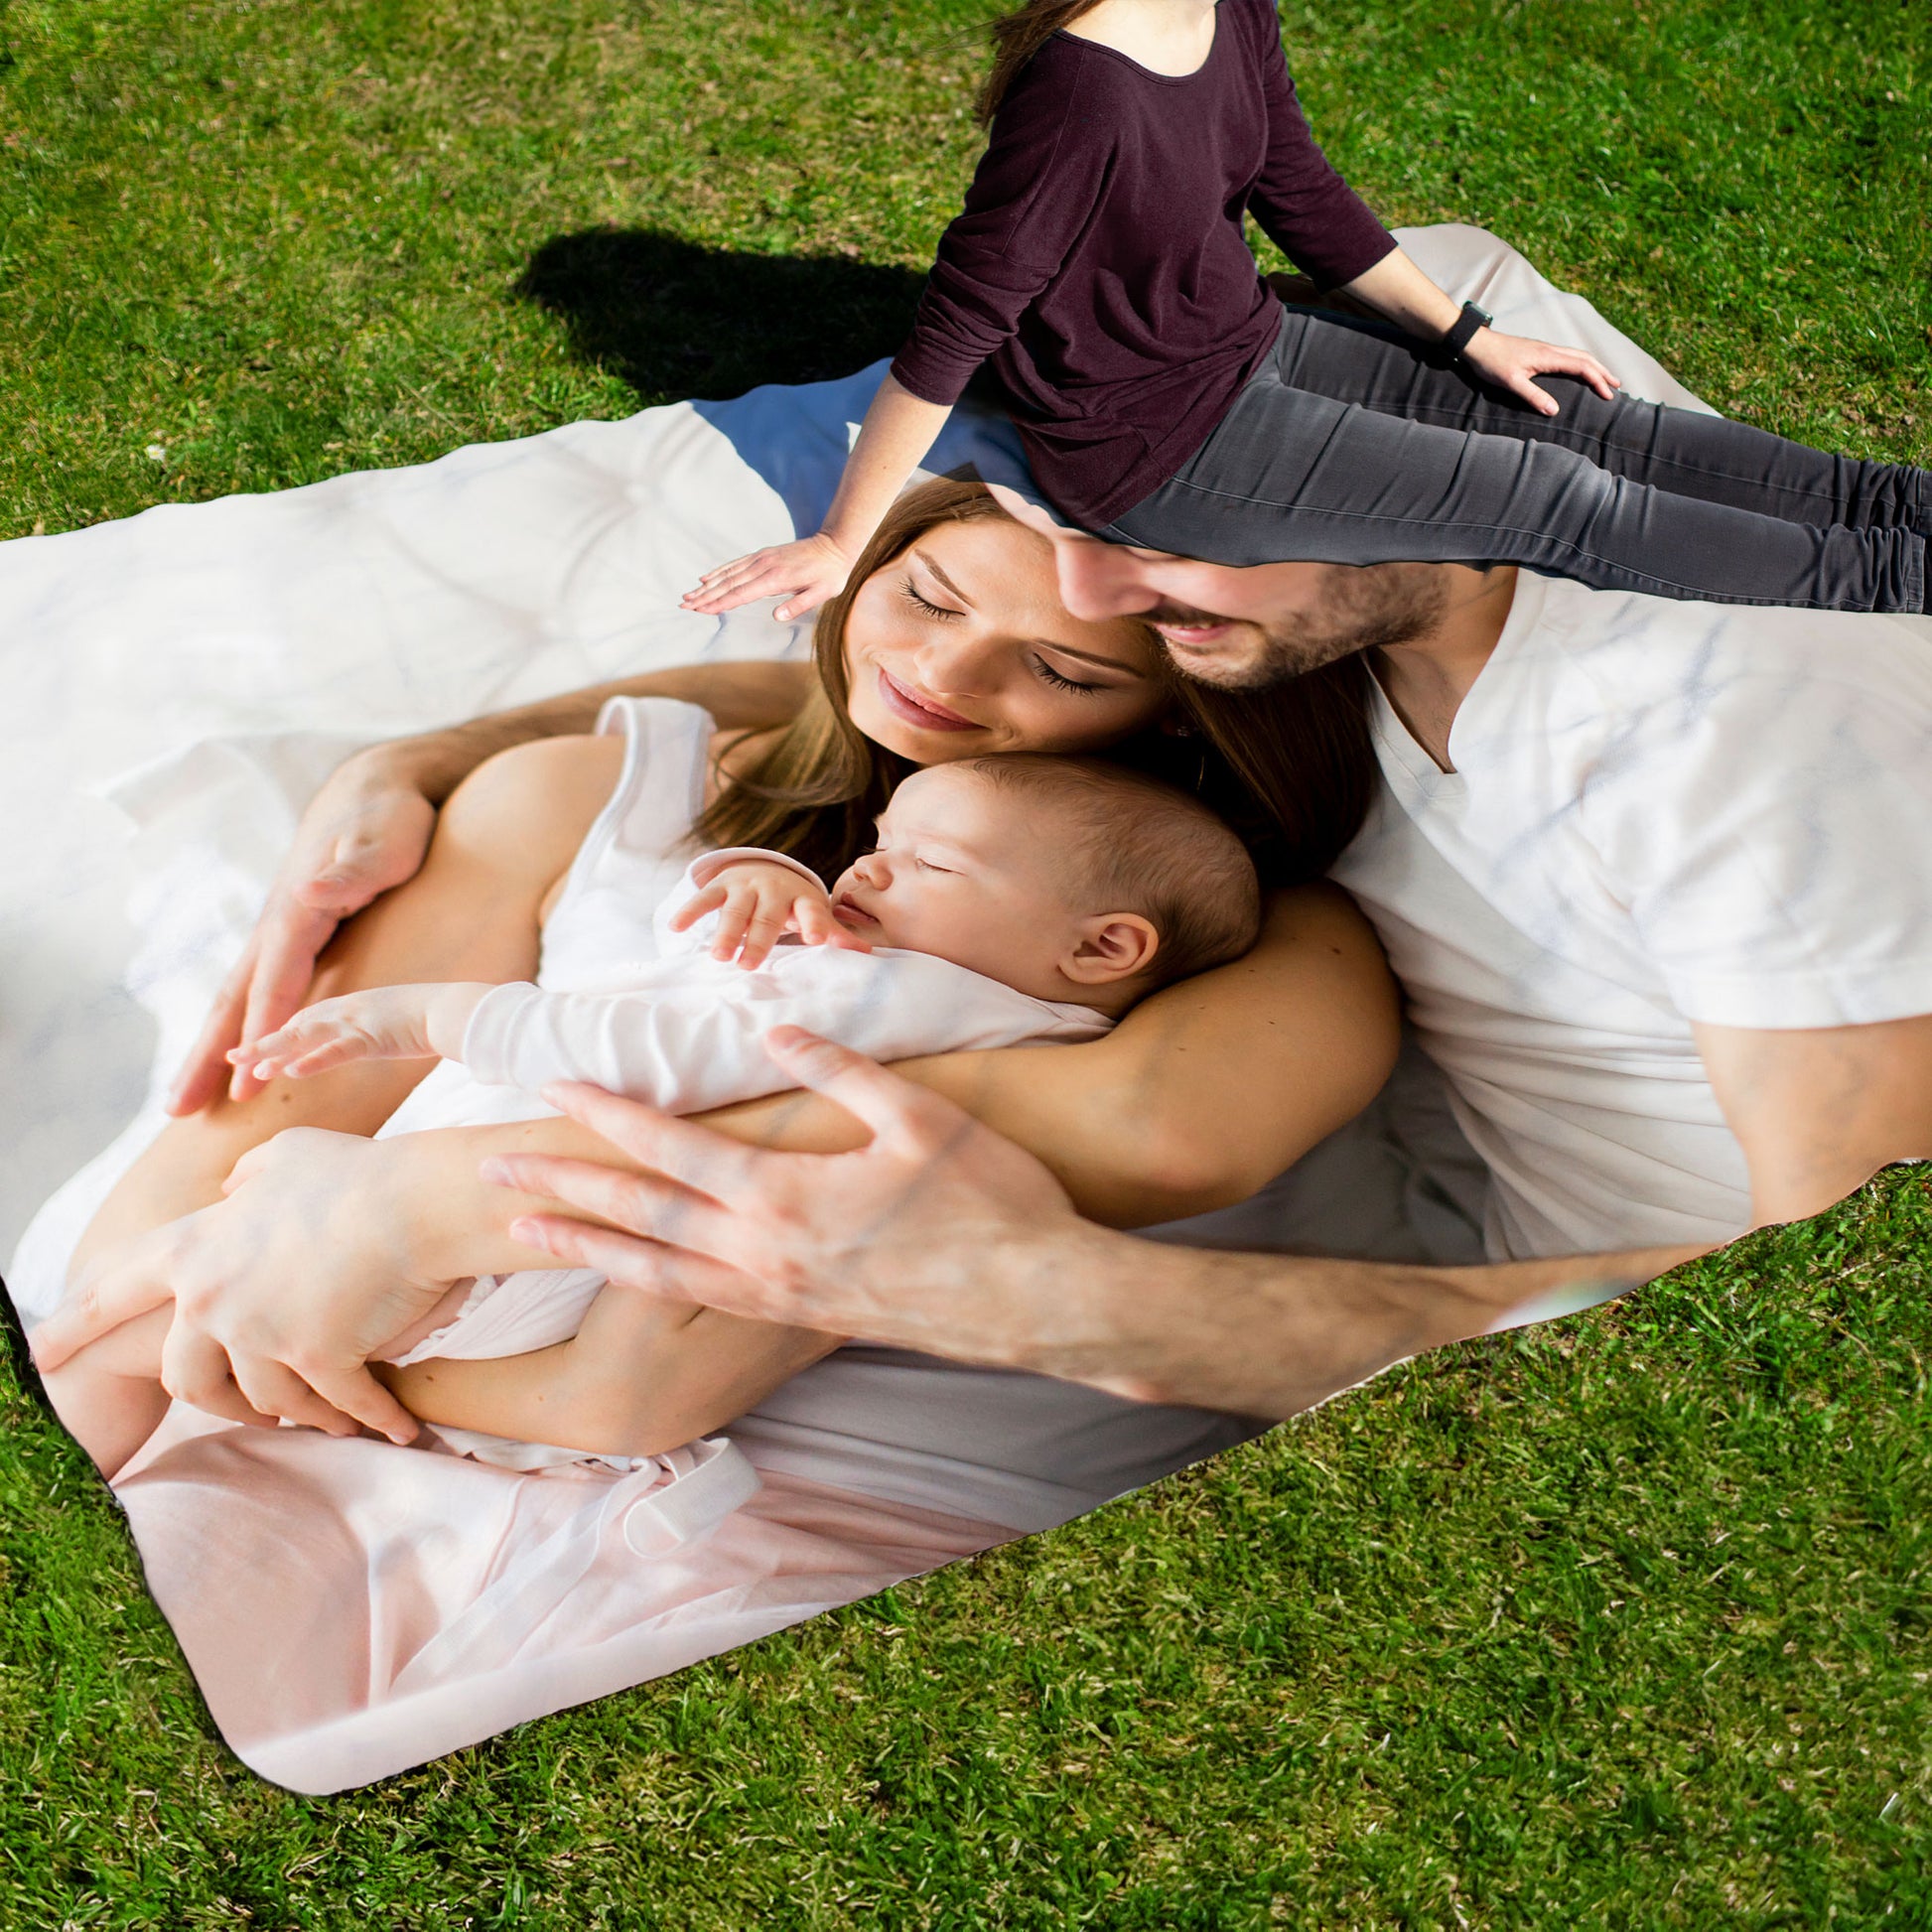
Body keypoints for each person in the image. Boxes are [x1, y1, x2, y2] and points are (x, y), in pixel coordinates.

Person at [28, 478, 1411, 1460]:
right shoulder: (647, 791)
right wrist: (407, 759)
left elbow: (1157, 1132)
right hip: (271, 1274)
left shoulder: (1216, 934)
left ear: (1178, 718)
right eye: (920, 593)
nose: (939, 671)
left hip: (504, 1351)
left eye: (1057, 667)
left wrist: (422, 1203)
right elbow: (268, 1107)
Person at [440, 508, 1932, 1416]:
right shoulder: (1165, 665)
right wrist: (430, 753)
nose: (1099, 575)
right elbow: (903, 673)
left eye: (1090, 648)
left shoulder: (1702, 734)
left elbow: (1849, 1303)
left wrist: (1066, 1302)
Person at [44, 752, 1260, 1477]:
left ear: (1103, 943)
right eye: (879, 843)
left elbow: (671, 1044)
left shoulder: (913, 992)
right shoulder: (1018, 1016)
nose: (867, 870)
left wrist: (445, 1017)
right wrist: (771, 883)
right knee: (162, 1314)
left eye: (929, 865)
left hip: (485, 1264)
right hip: (522, 1282)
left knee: (131, 1330)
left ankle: (75, 1455)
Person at [686, 0, 1928, 624]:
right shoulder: (1081, 92)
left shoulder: (1226, 6)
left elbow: (1296, 187)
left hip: (1255, 347)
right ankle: (1888, 575)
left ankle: (1898, 503)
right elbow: (956, 326)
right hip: (1155, 445)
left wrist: (1467, 335)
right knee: (1560, 497)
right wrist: (843, 539)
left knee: (1579, 412)